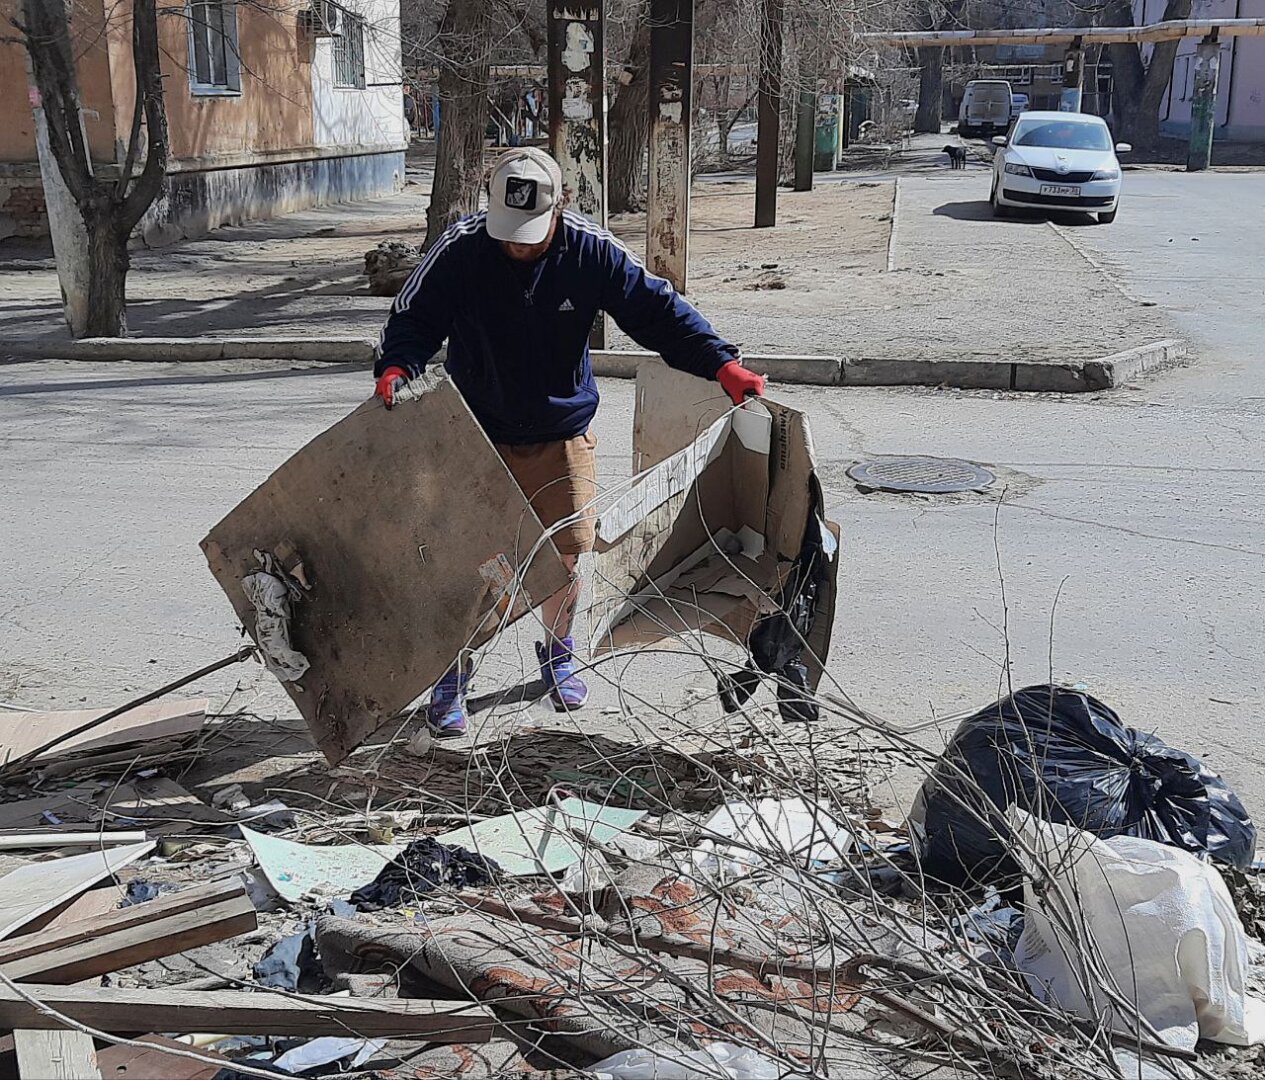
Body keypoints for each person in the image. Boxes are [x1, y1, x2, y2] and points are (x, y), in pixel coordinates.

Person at [374, 147, 764, 737]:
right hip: (475, 431)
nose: (520, 246)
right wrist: (396, 366)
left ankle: (558, 653)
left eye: (532, 235)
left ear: (562, 207)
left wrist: (721, 364)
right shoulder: (461, 249)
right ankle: (452, 672)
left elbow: (656, 310)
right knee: (473, 562)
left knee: (564, 558)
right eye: (509, 234)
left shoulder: (589, 249)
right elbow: (412, 319)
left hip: (562, 434)